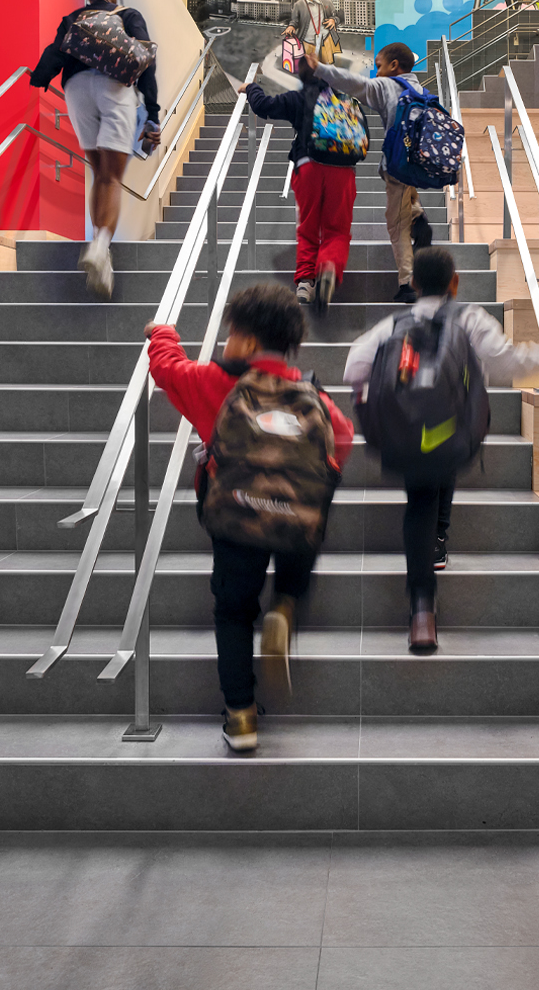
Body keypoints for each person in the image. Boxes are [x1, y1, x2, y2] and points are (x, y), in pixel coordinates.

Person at [144, 283, 353, 753]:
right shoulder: (309, 392)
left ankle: (241, 717)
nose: (224, 343)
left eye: (231, 333)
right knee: (301, 535)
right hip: (292, 523)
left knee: (234, 610)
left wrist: (162, 333)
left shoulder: (216, 383)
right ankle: (285, 603)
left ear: (249, 343)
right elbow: (342, 435)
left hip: (237, 519)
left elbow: (168, 370)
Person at [343, 246, 539, 653]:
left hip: (407, 434)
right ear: (455, 282)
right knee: (446, 448)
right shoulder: (471, 319)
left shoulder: (392, 324)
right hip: (452, 434)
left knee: (419, 491)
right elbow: (504, 361)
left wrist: (383, 401)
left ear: (415, 284)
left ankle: (423, 607)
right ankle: (436, 547)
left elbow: (354, 367)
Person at [31, 0, 162, 298]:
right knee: (113, 177)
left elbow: (54, 54)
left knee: (97, 172)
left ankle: (98, 249)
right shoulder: (128, 15)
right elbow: (145, 63)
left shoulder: (75, 18)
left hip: (75, 90)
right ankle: (100, 246)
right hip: (113, 89)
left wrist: (39, 76)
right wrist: (152, 113)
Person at [229, 61, 361, 310]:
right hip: (343, 172)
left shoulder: (297, 98)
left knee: (308, 227)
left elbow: (264, 107)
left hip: (308, 166)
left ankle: (305, 284)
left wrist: (251, 88)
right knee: (337, 230)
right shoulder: (345, 101)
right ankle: (329, 266)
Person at [312, 41, 435, 302]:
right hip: (416, 166)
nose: (376, 72)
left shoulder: (387, 85)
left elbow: (356, 84)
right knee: (406, 204)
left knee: (396, 226)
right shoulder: (420, 88)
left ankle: (407, 284)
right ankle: (419, 219)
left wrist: (320, 68)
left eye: (378, 66)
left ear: (393, 66)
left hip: (397, 168)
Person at [284, 0, 338, 66]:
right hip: (307, 43)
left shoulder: (327, 2)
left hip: (325, 41)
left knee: (328, 70)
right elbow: (295, 21)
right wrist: (291, 26)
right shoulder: (298, 5)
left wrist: (333, 20)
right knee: (310, 70)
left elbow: (336, 16)